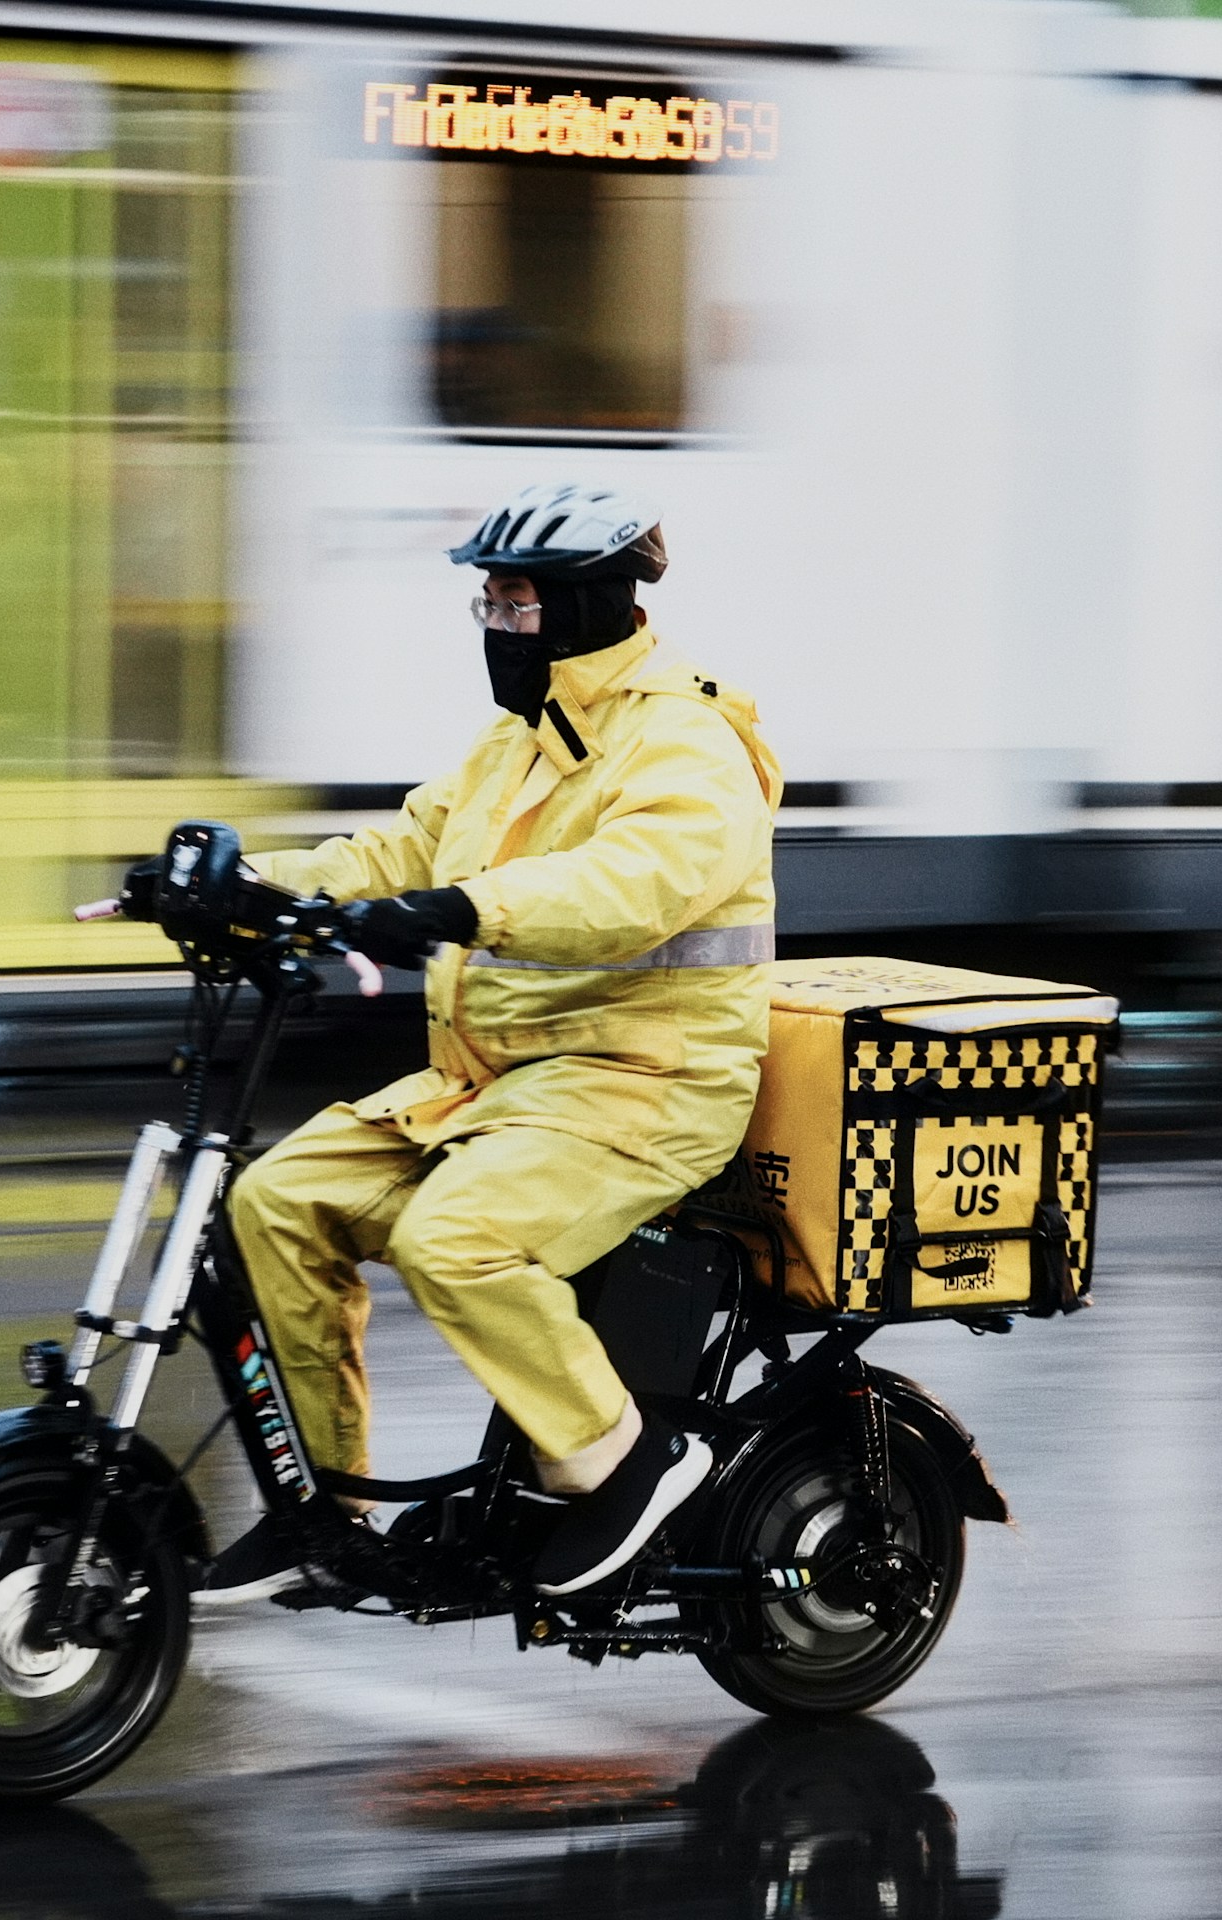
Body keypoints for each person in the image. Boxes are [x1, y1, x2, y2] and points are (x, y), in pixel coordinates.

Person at [198, 482, 781, 1605]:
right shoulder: (518, 743)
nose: (497, 630)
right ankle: (326, 1508)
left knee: (454, 1241)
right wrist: (243, 889)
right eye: (489, 608)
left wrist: (465, 909)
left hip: (644, 1085)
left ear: (580, 608)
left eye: (513, 608)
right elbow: (405, 847)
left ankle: (623, 1459)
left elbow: (636, 883)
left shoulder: (687, 741)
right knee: (277, 1203)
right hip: (505, 1087)